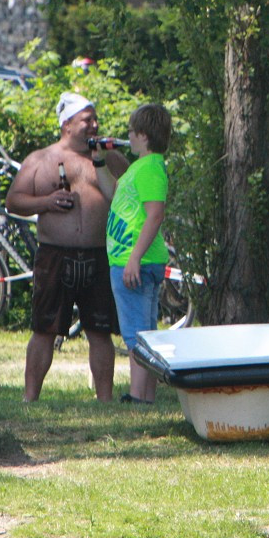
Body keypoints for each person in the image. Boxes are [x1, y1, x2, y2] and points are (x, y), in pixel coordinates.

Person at [7, 92, 126, 402]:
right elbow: (14, 201)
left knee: (100, 331)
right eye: (87, 120)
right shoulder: (41, 158)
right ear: (67, 124)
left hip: (99, 254)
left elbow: (132, 192)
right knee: (44, 329)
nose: (94, 125)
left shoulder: (108, 157)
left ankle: (105, 399)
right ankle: (30, 397)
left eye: (95, 118)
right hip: (54, 254)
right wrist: (45, 202)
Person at [106, 104, 172, 405]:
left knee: (136, 333)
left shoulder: (150, 168)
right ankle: (145, 394)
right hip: (131, 258)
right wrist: (98, 162)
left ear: (143, 135)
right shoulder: (140, 167)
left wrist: (134, 257)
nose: (128, 137)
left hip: (136, 261)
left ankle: (138, 396)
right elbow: (114, 192)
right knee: (144, 330)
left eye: (131, 132)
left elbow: (155, 215)